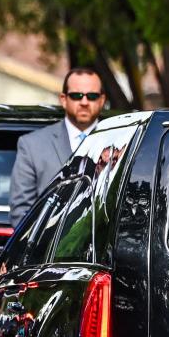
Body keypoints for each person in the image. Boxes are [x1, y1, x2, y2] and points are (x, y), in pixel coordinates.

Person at [9, 67, 106, 227]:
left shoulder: (121, 142)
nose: (84, 102)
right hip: (47, 249)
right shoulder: (32, 145)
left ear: (102, 100)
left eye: (92, 96)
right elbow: (21, 213)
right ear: (63, 99)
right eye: (76, 96)